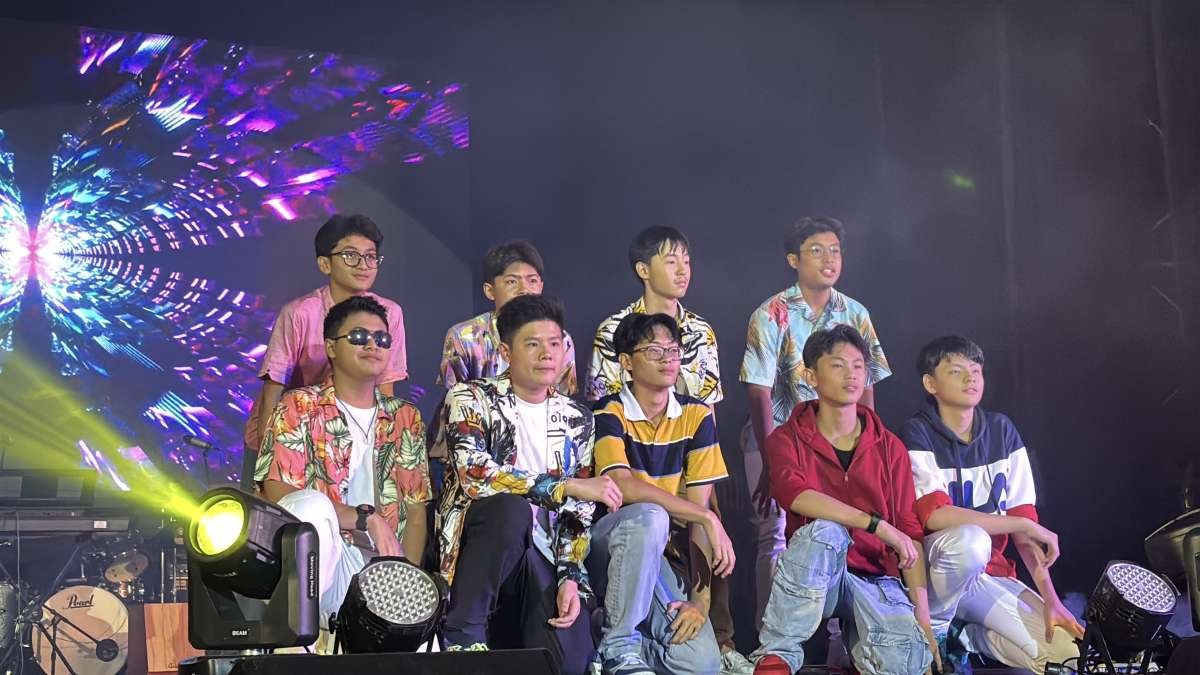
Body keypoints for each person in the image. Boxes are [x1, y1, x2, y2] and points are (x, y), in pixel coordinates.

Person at [436, 294, 622, 675]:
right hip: (483, 550)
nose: (547, 354)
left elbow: (578, 513)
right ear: (506, 352)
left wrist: (569, 576)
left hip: (544, 554)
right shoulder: (470, 398)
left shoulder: (578, 418)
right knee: (511, 508)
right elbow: (475, 474)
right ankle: (463, 631)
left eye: (554, 343)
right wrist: (564, 486)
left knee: (570, 662)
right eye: (533, 344)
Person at [750, 326, 937, 675]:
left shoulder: (890, 447)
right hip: (816, 576)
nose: (851, 374)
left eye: (858, 366)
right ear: (811, 376)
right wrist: (877, 525)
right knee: (825, 531)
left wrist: (924, 621)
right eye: (838, 365)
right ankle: (776, 655)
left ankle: (859, 652)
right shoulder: (786, 438)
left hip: (874, 579)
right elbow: (794, 494)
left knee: (906, 662)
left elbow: (909, 532)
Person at [898, 336, 1082, 673]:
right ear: (931, 383)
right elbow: (935, 515)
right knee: (971, 540)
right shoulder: (916, 431)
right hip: (937, 572)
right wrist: (1022, 524)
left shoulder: (1002, 430)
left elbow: (1025, 526)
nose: (970, 378)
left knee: (1066, 656)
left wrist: (1051, 599)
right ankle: (937, 629)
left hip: (988, 575)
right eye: (956, 371)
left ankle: (967, 638)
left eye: (976, 370)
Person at [739, 216, 891, 626]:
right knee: (775, 533)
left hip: (837, 439)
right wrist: (771, 460)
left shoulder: (855, 312)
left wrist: (868, 447)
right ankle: (771, 635)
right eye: (817, 251)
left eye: (835, 251)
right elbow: (758, 390)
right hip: (777, 435)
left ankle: (839, 639)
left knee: (841, 530)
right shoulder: (770, 313)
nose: (829, 259)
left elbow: (867, 383)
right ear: (794, 260)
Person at [255, 295, 431, 619]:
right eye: (359, 336)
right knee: (312, 506)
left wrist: (405, 581)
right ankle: (297, 633)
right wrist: (364, 518)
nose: (373, 345)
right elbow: (278, 492)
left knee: (425, 643)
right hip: (325, 560)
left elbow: (416, 512)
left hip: (384, 569)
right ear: (331, 347)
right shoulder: (299, 406)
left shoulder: (406, 418)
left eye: (382, 339)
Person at [589, 313, 735, 675]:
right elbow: (622, 485)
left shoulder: (696, 415)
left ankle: (606, 640)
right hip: (608, 545)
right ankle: (618, 648)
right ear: (626, 362)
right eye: (654, 351)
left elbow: (697, 517)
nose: (668, 359)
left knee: (702, 664)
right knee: (650, 515)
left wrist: (699, 603)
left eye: (673, 350)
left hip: (659, 557)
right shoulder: (608, 411)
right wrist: (706, 516)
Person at [245, 214, 407, 480]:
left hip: (348, 439)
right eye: (350, 256)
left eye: (370, 257)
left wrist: (383, 452)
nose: (363, 265)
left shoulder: (390, 314)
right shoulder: (299, 313)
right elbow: (273, 389)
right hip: (292, 432)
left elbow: (385, 387)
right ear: (324, 264)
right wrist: (268, 451)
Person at [586, 226, 720, 404]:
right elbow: (602, 407)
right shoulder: (612, 330)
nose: (682, 270)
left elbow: (708, 408)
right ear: (643, 270)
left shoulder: (701, 331)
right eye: (671, 262)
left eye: (686, 261)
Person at [438, 239, 577, 392]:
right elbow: (454, 399)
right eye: (512, 282)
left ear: (541, 287)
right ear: (489, 291)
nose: (524, 290)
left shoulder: (561, 340)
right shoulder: (463, 337)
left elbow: (564, 400)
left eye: (532, 280)